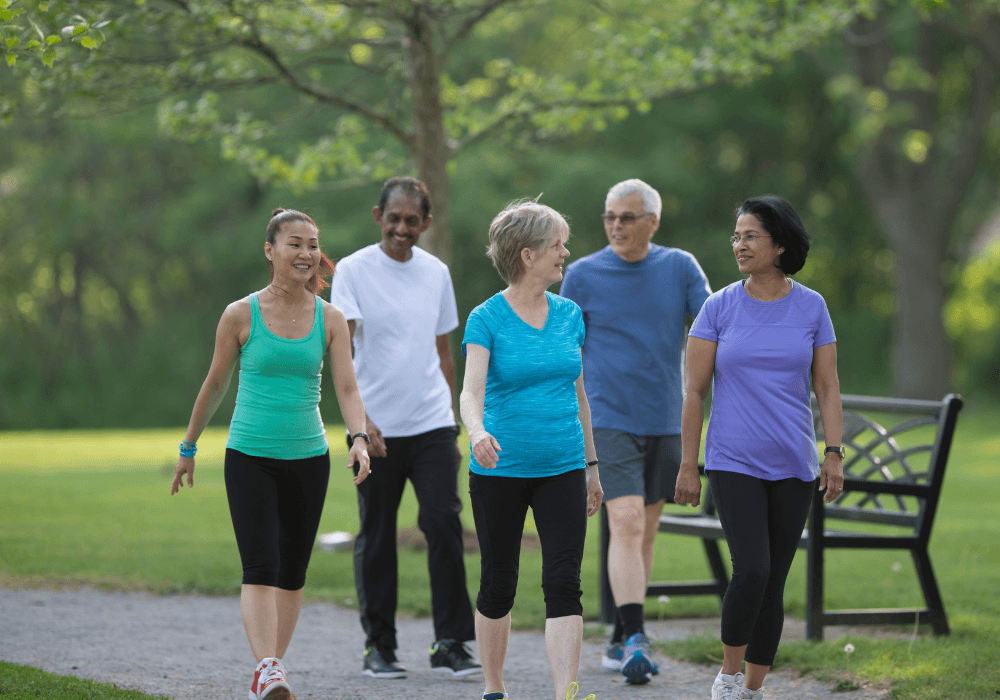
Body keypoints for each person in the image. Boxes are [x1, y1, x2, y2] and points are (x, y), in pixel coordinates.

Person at [170, 208, 372, 700]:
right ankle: (268, 668)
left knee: (293, 571)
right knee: (260, 565)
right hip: (250, 456)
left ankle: (269, 670)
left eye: (312, 245)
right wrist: (188, 447)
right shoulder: (240, 314)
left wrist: (359, 437)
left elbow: (346, 386)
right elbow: (215, 384)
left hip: (308, 458)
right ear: (270, 250)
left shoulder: (330, 318)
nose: (306, 253)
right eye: (294, 243)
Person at [674, 195, 844, 700]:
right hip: (733, 460)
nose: (739, 245)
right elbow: (694, 392)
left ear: (780, 245)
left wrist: (832, 452)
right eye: (736, 236)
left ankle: (752, 688)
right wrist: (689, 463)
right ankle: (726, 677)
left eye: (750, 236)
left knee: (774, 581)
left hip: (793, 463)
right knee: (752, 568)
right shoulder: (718, 306)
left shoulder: (812, 306)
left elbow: (828, 388)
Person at [560, 178, 711, 685]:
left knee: (642, 531)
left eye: (627, 217)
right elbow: (565, 349)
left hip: (666, 419)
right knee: (624, 521)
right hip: (606, 416)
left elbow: (712, 324)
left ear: (653, 222)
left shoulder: (679, 267)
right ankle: (637, 639)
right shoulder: (581, 275)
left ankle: (621, 633)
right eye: (609, 217)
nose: (616, 226)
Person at [329, 177, 480, 679]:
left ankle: (452, 642)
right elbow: (341, 353)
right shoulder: (352, 270)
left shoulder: (436, 273)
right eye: (393, 218)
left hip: (432, 423)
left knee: (443, 523)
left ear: (426, 224)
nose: (401, 228)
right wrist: (360, 424)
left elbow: (444, 355)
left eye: (411, 220)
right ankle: (379, 646)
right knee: (376, 533)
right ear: (379, 217)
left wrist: (456, 424)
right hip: (375, 430)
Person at [461, 200, 604, 700]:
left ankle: (566, 692)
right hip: (501, 469)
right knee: (499, 580)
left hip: (563, 465)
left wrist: (591, 466)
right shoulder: (487, 318)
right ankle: (494, 688)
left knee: (564, 580)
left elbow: (580, 395)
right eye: (557, 245)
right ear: (527, 254)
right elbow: (470, 392)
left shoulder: (569, 315)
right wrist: (477, 432)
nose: (566, 252)